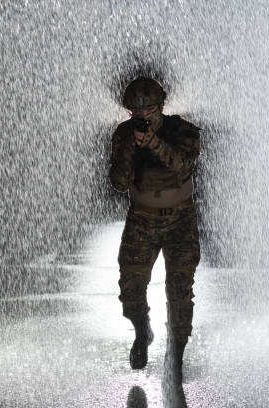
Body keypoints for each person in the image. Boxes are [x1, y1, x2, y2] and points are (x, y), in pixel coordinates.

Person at [109, 77, 200, 396]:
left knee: (180, 290)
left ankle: (176, 353)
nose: (142, 116)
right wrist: (130, 148)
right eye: (135, 111)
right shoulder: (124, 134)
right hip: (142, 218)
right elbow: (119, 182)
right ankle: (141, 331)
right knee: (130, 287)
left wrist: (154, 144)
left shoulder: (182, 131)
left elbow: (183, 166)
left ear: (161, 106)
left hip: (180, 218)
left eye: (148, 109)